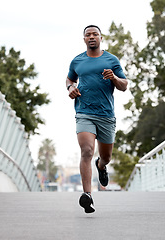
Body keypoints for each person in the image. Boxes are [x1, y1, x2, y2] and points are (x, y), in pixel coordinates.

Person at [66, 25, 128, 213]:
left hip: (106, 115)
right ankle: (88, 195)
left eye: (95, 34)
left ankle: (101, 166)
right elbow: (70, 80)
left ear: (101, 38)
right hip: (84, 112)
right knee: (86, 150)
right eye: (88, 35)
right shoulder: (77, 61)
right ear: (84, 39)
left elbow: (124, 85)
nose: (91, 37)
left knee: (106, 157)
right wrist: (70, 88)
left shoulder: (111, 60)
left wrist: (114, 78)